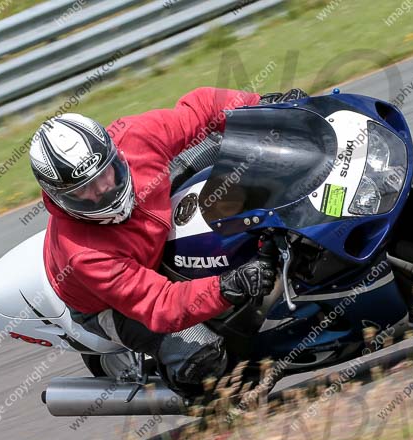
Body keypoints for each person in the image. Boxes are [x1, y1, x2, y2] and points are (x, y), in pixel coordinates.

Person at [29, 87, 306, 398]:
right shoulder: (82, 254)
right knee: (200, 358)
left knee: (225, 139)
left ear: (114, 152)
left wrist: (263, 108)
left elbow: (201, 108)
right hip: (108, 302)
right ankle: (192, 392)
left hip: (151, 225)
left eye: (106, 173)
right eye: (84, 191)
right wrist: (228, 286)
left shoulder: (134, 136)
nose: (103, 190)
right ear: (59, 199)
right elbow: (160, 304)